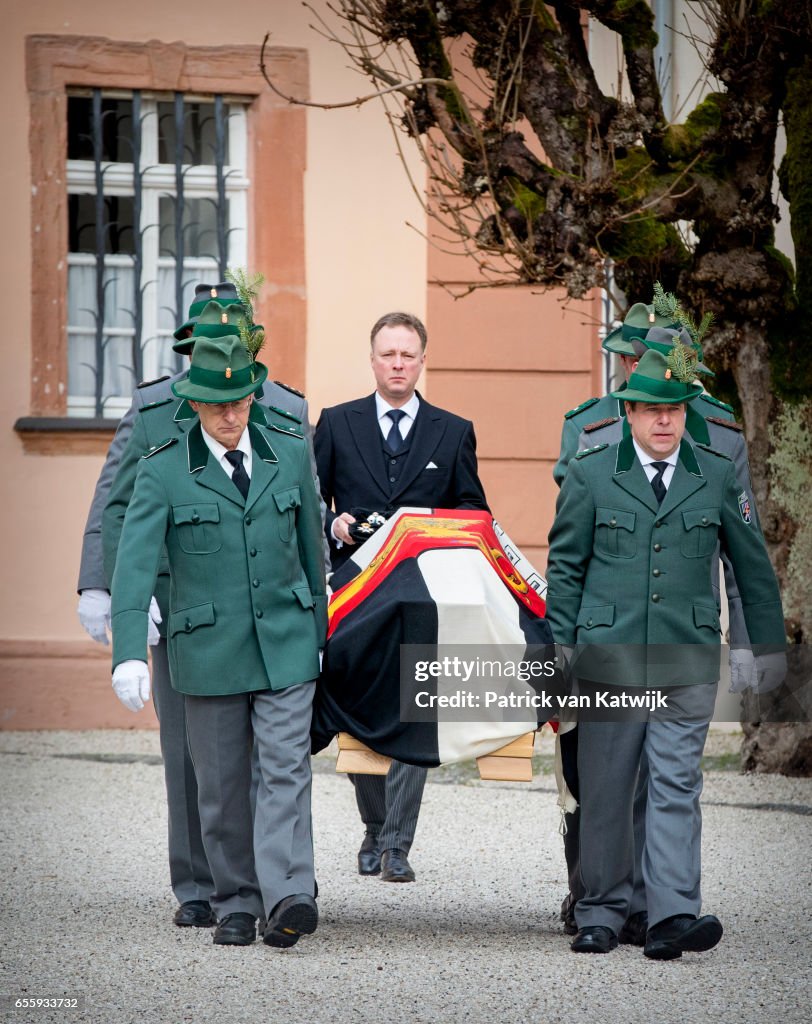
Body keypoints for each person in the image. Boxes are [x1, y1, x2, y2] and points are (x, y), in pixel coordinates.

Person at [78, 281, 322, 930]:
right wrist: (110, 597)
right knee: (200, 762)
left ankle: (283, 888)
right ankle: (204, 885)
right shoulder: (157, 417)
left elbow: (306, 529)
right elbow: (120, 507)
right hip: (184, 605)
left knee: (277, 762)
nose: (230, 408)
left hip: (274, 620)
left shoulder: (284, 417)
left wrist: (319, 623)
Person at [544, 348, 785, 959]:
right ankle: (600, 910)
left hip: (686, 653)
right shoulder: (592, 471)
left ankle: (671, 915)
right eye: (651, 409)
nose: (663, 421)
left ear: (685, 413)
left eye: (673, 410)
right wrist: (562, 647)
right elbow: (566, 566)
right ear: (629, 412)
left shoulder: (715, 471)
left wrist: (764, 646)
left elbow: (752, 568)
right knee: (607, 785)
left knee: (677, 785)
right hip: (609, 653)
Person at [314, 311, 489, 882]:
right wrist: (335, 526)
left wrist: (434, 525)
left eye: (407, 354)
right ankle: (372, 827)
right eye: (387, 354)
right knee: (358, 706)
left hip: (423, 600)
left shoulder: (453, 429)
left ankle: (395, 845)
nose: (397, 363)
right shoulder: (336, 424)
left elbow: (474, 514)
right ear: (372, 361)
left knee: (418, 706)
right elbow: (310, 503)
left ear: (421, 361)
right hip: (355, 598)